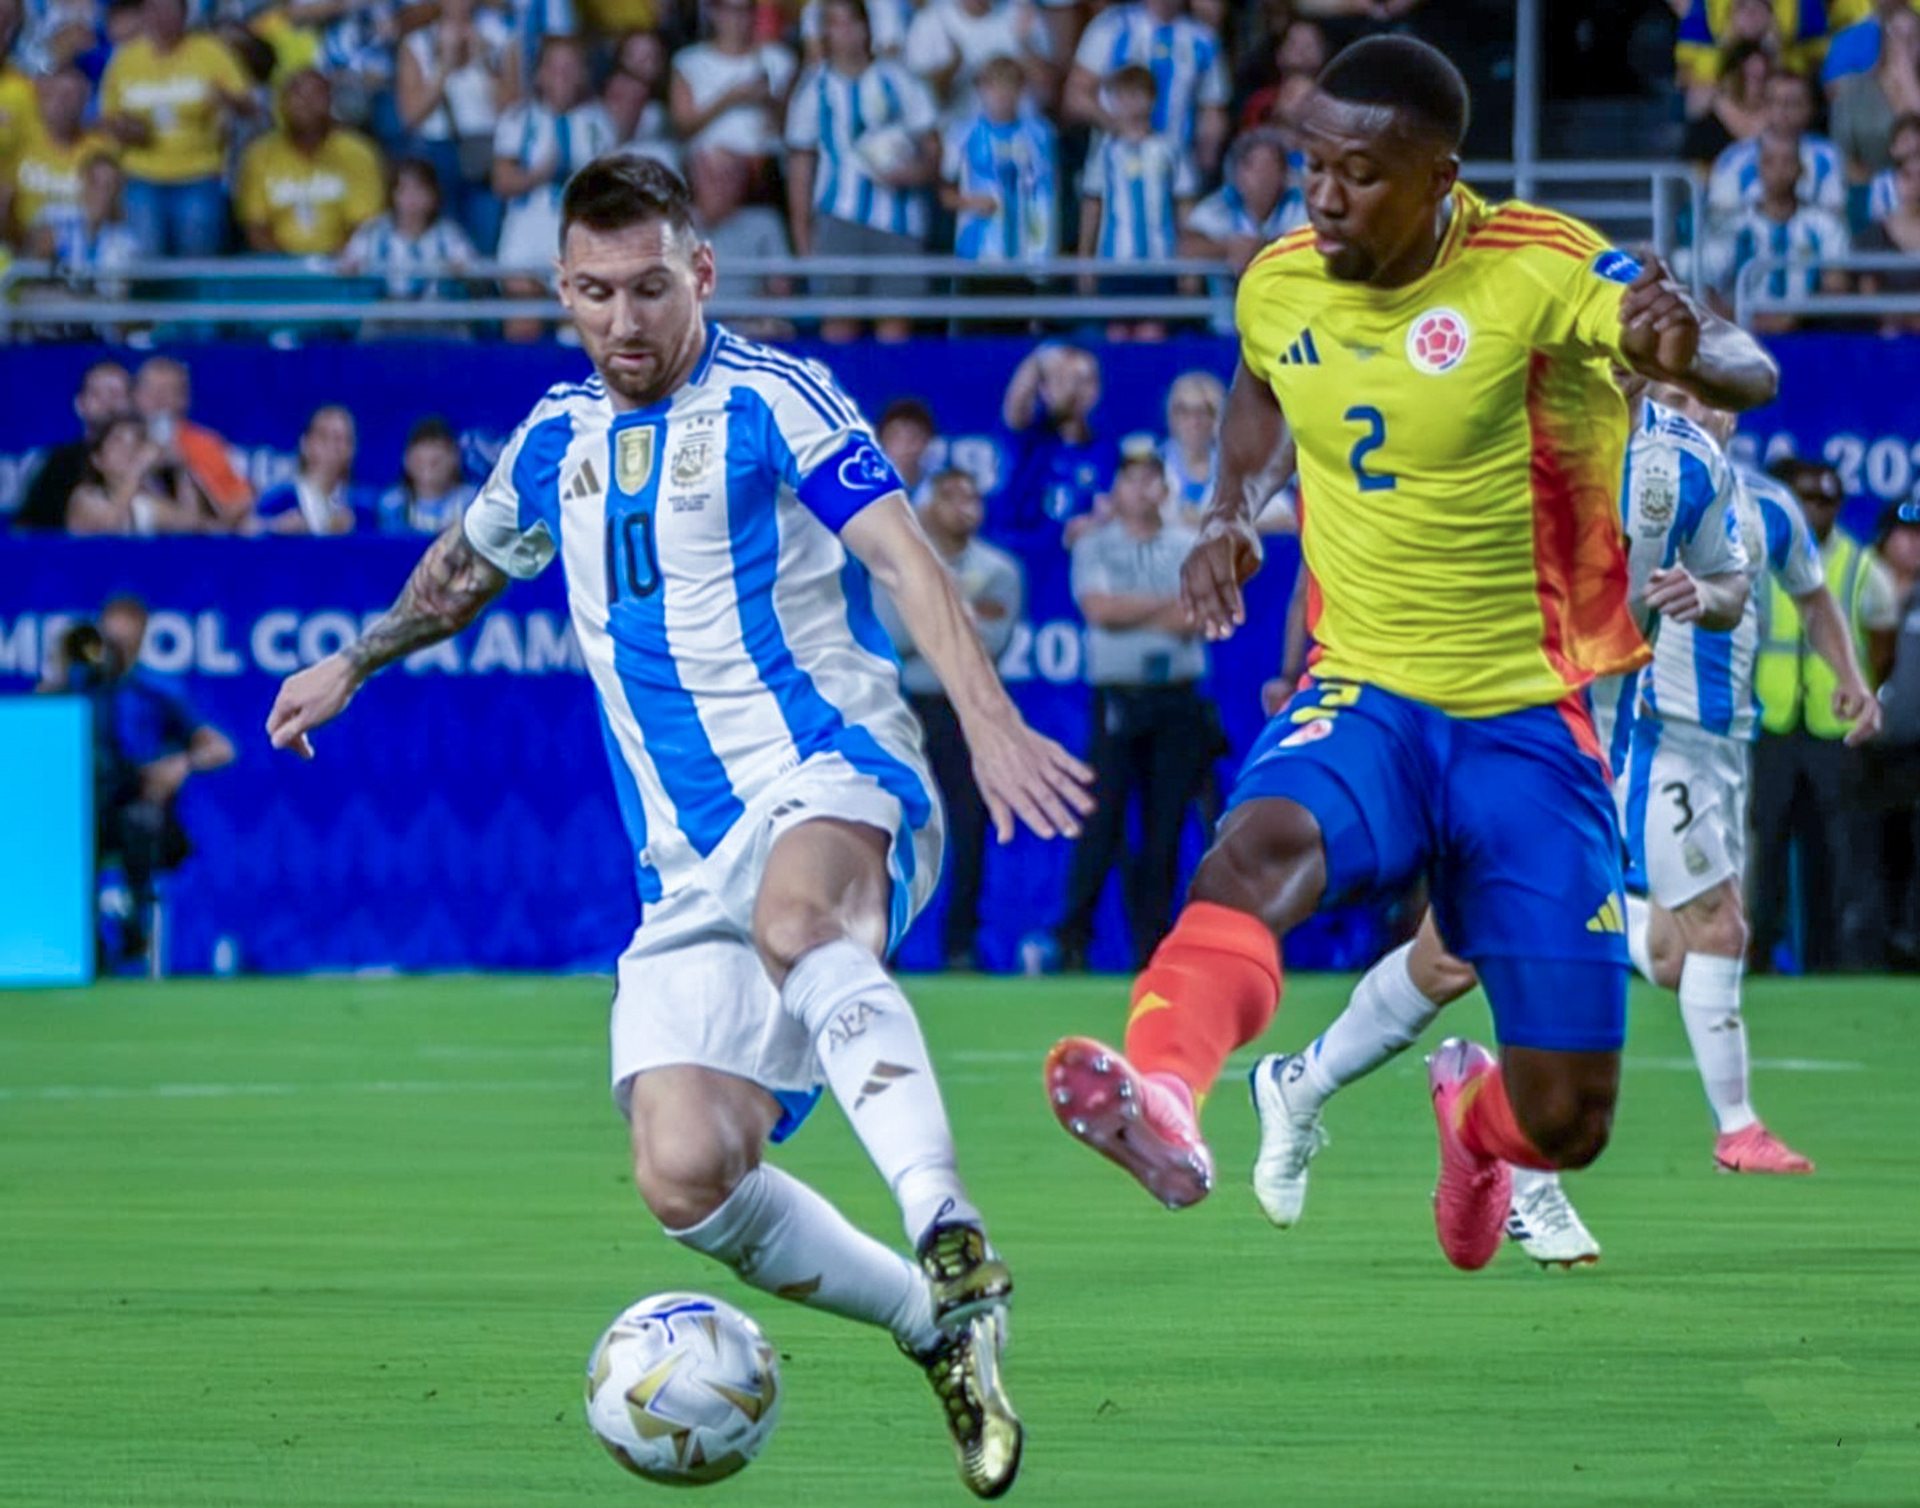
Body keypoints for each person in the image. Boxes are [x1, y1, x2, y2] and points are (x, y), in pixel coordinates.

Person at [264, 153, 1092, 1501]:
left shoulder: (772, 398)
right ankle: (937, 1325)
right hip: (685, 860)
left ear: (701, 272)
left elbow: (903, 555)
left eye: (650, 287)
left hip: (835, 766)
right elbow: (463, 569)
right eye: (595, 293)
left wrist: (988, 721)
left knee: (800, 917)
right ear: (560, 291)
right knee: (686, 1172)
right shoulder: (554, 440)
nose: (624, 320)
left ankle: (948, 1223)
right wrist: (354, 660)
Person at [1039, 36, 1779, 1274]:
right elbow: (1264, 383)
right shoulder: (1280, 277)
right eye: (1311, 167)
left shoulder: (1536, 266)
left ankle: (1473, 1126)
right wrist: (1229, 511)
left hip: (1528, 719)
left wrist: (1683, 346)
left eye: (1361, 174)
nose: (1324, 197)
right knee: (1254, 850)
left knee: (1568, 1117)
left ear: (1443, 179)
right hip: (1368, 687)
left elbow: (1746, 367)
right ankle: (1166, 1095)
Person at [1245, 392, 1879, 1270]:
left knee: (1454, 958)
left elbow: (1737, 588)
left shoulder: (1688, 465)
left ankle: (1300, 1083)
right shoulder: (1500, 419)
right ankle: (1532, 1182)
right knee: (1549, 956)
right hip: (1496, 739)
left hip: (1602, 751)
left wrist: (1710, 593)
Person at [1054, 446, 1212, 971]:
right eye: (1131, 479)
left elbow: (1197, 615)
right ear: (1115, 490)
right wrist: (1166, 605)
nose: (1141, 489)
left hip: (1177, 698)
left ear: (1165, 490)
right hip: (1119, 698)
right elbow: (1100, 610)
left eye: (1151, 479)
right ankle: (1074, 940)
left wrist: (1133, 609)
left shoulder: (1188, 544)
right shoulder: (1094, 544)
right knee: (1102, 820)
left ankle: (1155, 945)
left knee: (1166, 824)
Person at [1750, 457, 1901, 971]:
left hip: (1836, 730)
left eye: (1830, 500)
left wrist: (1860, 690)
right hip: (1771, 723)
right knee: (1764, 846)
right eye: (1809, 499)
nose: (1820, 509)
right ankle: (1757, 955)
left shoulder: (1860, 565)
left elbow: (1883, 645)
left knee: (1839, 850)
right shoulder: (1755, 556)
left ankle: (1839, 961)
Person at [874, 467, 1026, 970]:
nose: (966, 507)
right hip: (908, 708)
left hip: (968, 709)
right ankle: (884, 942)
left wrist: (929, 615)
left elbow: (991, 645)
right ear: (927, 506)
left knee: (970, 826)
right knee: (894, 827)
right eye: (952, 497)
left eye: (972, 497)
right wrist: (960, 613)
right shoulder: (898, 562)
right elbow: (893, 638)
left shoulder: (1000, 569)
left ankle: (960, 944)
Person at [41, 596, 235, 969]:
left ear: (141, 637)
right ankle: (83, 942)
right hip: (87, 811)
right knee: (62, 836)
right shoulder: (78, 688)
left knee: (139, 822)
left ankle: (135, 923)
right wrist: (60, 669)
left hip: (142, 808)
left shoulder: (158, 691)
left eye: (123, 641)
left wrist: (181, 763)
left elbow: (221, 748)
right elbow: (34, 726)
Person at [785, 0, 941, 343]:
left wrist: (914, 173)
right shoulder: (814, 89)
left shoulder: (899, 80)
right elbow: (801, 166)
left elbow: (933, 149)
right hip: (838, 217)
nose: (845, 32)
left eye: (851, 23)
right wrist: (802, 235)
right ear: (825, 33)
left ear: (867, 28)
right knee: (838, 327)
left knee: (895, 331)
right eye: (835, 23)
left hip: (898, 222)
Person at [98, 0, 256, 257]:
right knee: (145, 260)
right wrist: (127, 129)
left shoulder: (211, 52)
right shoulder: (125, 58)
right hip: (141, 176)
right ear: (144, 15)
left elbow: (249, 105)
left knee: (198, 258)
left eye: (170, 10)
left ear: (184, 15)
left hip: (199, 174)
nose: (163, 17)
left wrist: (230, 101)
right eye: (155, 10)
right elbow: (108, 118)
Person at [493, 35, 617, 341]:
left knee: (576, 334)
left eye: (570, 68)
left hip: (580, 237)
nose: (562, 76)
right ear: (540, 74)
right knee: (523, 328)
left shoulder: (598, 123)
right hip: (527, 237)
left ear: (582, 74)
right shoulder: (519, 119)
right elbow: (501, 181)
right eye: (555, 67)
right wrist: (538, 175)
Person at [1078, 64, 1194, 343]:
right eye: (1121, 96)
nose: (1129, 104)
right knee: (1116, 334)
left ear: (1151, 99)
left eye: (1135, 95)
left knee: (1152, 334)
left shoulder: (1169, 148)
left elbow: (1184, 207)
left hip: (1160, 261)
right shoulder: (1105, 151)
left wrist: (1188, 264)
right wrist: (1085, 259)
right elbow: (1093, 205)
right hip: (1114, 262)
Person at [395, 0, 519, 252]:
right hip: (436, 150)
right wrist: (444, 67)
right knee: (439, 239)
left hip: (484, 149)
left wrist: (485, 63)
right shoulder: (417, 43)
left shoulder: (502, 37)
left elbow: (512, 108)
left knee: (484, 237)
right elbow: (411, 115)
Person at [1702, 128, 1851, 330]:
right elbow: (1706, 284)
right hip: (1744, 333)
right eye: (1769, 161)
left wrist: (1794, 318)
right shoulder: (1735, 226)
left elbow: (1836, 286)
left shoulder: (1825, 226)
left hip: (1807, 333)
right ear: (1758, 168)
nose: (1779, 169)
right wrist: (1736, 320)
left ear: (1802, 169)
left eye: (1788, 161)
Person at [1065, 0, 1229, 177]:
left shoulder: (1203, 39)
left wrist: (1207, 156)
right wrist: (1118, 126)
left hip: (1178, 169)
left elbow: (1212, 107)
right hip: (1111, 167)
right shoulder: (1111, 27)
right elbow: (1076, 96)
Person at [236, 68, 385, 256]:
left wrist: (328, 264)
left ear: (330, 102)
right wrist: (289, 266)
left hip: (341, 265)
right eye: (298, 95)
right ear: (282, 104)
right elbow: (256, 227)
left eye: (315, 95)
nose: (306, 104)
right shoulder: (259, 154)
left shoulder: (358, 154)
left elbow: (363, 226)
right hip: (276, 265)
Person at [943, 52, 1057, 272]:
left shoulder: (1040, 135)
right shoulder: (963, 133)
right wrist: (971, 203)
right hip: (976, 254)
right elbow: (944, 192)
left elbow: (1046, 192)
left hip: (1029, 255)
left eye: (1009, 85)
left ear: (1021, 90)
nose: (1001, 94)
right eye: (993, 86)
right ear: (980, 90)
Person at [1871, 494, 1920, 966]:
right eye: (1904, 534)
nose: (1913, 544)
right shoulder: (1861, 586)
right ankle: (1866, 947)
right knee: (1871, 851)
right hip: (1866, 747)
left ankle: (1910, 945)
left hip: (1916, 748)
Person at [1705, 67, 1847, 224]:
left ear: (1810, 108)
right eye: (1774, 102)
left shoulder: (1828, 157)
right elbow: (1720, 219)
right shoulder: (1733, 159)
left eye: (1792, 103)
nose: (1782, 111)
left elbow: (1835, 216)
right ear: (1763, 106)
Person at [669, 0, 797, 173]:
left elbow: (795, 125)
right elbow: (682, 128)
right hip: (710, 163)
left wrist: (769, 102)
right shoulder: (689, 61)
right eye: (731, 11)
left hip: (767, 161)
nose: (738, 19)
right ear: (714, 12)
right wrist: (730, 98)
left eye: (746, 11)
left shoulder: (779, 59)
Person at [338, 157, 480, 303]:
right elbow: (347, 264)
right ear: (392, 195)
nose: (412, 198)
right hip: (384, 312)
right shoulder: (372, 231)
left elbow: (470, 267)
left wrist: (460, 269)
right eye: (404, 190)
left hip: (436, 312)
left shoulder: (449, 234)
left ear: (434, 196)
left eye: (420, 190)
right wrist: (350, 267)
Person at [133, 355, 254, 526]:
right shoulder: (118, 443)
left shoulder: (206, 445)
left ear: (184, 399)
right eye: (150, 390)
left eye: (167, 391)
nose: (158, 399)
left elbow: (241, 498)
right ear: (135, 396)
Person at [14, 359, 131, 531]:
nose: (107, 403)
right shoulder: (61, 463)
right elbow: (26, 528)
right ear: (80, 404)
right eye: (97, 394)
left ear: (131, 402)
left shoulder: (152, 459)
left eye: (115, 394)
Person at [9, 65, 114, 256]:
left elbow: (113, 211)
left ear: (85, 101)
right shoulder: (20, 144)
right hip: (23, 247)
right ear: (41, 97)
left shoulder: (101, 149)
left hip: (84, 251)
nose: (62, 104)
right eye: (55, 94)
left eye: (71, 96)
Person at [65, 411, 206, 535]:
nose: (129, 449)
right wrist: (138, 467)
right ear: (97, 459)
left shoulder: (142, 503)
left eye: (136, 442)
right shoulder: (85, 497)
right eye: (118, 442)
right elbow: (111, 528)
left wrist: (182, 470)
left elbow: (191, 523)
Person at [255, 405, 366, 535]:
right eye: (324, 437)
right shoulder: (280, 499)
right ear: (305, 443)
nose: (333, 447)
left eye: (343, 440)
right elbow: (246, 530)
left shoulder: (359, 506)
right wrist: (275, 526)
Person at [374, 414, 474, 534]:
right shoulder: (393, 504)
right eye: (420, 460)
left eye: (436, 461)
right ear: (406, 460)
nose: (429, 466)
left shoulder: (472, 502)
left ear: (455, 459)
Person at [1158, 369, 1223, 521]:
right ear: (1171, 416)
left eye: (1203, 412)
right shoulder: (1153, 463)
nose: (1193, 422)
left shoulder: (1236, 466)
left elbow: (1279, 515)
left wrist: (1208, 519)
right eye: (1184, 412)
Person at [877, 395, 939, 504]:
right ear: (882, 440)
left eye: (914, 437)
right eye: (897, 437)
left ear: (927, 442)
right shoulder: (865, 490)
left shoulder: (938, 490)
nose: (906, 446)